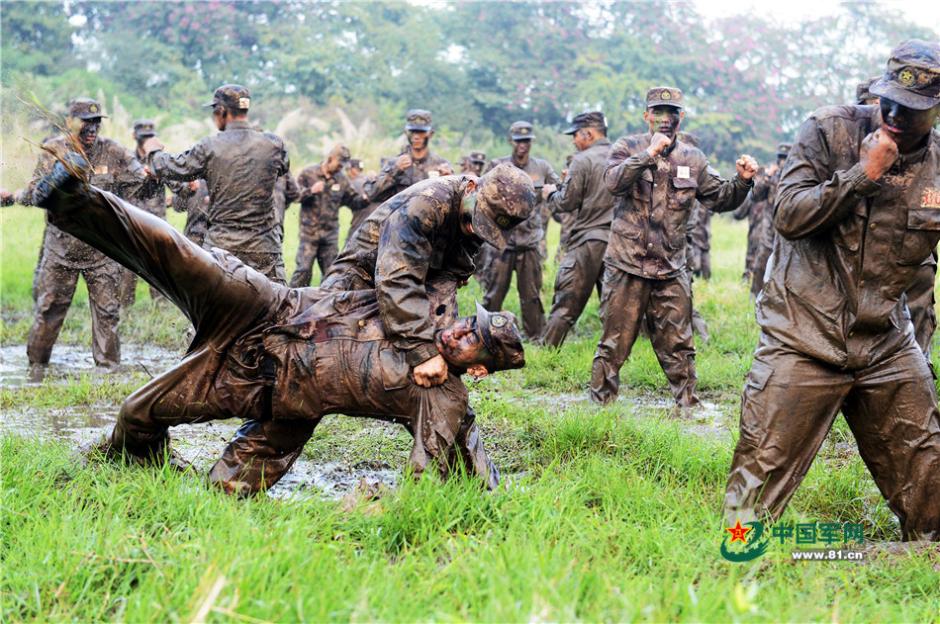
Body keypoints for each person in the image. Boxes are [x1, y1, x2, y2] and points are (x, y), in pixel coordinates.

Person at [31, 154, 523, 494]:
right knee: (184, 259)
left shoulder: (440, 387)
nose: (459, 330)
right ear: (473, 188)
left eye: (471, 336)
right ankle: (73, 199)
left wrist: (483, 486)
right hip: (286, 310)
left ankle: (162, 472)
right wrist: (428, 351)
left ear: (477, 368)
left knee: (140, 414)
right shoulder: (429, 205)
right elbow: (397, 284)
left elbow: (447, 431)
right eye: (466, 325)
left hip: (280, 382)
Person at [723, 41, 940, 541]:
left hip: (884, 341)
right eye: (888, 101)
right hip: (802, 334)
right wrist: (863, 175)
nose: (893, 115)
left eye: (911, 110)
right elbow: (789, 215)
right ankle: (732, 577)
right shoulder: (829, 129)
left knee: (930, 483)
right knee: (746, 516)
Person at [592, 87, 757, 408]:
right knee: (614, 343)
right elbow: (612, 183)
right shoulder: (627, 147)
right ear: (646, 116)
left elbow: (719, 198)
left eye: (672, 113)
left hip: (670, 268)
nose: (665, 119)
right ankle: (600, 408)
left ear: (681, 118)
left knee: (679, 344)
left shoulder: (693, 159)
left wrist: (742, 182)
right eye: (658, 112)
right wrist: (648, 155)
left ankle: (687, 407)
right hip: (627, 264)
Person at [322, 163, 536, 388]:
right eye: (478, 220)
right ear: (471, 188)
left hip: (426, 273)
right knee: (319, 341)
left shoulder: (480, 206)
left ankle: (431, 398)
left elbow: (463, 250)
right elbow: (397, 278)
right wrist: (422, 352)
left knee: (443, 348)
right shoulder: (427, 203)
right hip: (362, 271)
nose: (476, 230)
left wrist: (459, 270)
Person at [23, 97, 146, 381]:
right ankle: (35, 371)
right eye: (85, 123)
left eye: (96, 123)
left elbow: (141, 177)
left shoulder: (114, 152)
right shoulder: (55, 150)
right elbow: (33, 194)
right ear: (72, 123)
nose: (91, 129)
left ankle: (108, 374)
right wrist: (55, 180)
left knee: (108, 314)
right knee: (49, 310)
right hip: (61, 250)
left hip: (102, 252)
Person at [140, 84, 291, 283]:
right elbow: (281, 169)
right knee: (275, 307)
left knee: (217, 310)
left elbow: (174, 168)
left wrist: (153, 151)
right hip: (264, 247)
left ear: (222, 112)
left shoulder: (210, 147)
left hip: (223, 248)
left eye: (214, 111)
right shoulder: (274, 145)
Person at [479, 121, 561, 339]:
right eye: (518, 141)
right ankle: (485, 335)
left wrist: (556, 189)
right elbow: (481, 194)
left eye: (526, 141)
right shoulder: (498, 166)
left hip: (529, 242)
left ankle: (536, 338)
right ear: (510, 141)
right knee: (493, 294)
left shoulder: (541, 167)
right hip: (501, 243)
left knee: (531, 296)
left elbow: (560, 190)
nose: (522, 145)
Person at [541, 112, 615, 347]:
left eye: (576, 135)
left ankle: (547, 353)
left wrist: (551, 193)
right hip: (620, 243)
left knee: (566, 303)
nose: (574, 140)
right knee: (616, 308)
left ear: (589, 133)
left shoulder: (582, 160)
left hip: (589, 242)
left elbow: (566, 203)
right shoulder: (624, 156)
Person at [289, 145, 367, 287]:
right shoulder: (308, 173)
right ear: (330, 159)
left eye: (343, 166)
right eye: (338, 165)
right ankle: (291, 305)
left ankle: (326, 306)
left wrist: (366, 198)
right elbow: (295, 196)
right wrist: (310, 191)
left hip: (330, 236)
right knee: (303, 271)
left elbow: (353, 201)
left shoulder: (342, 180)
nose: (340, 169)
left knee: (332, 275)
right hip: (309, 234)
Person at [119, 119, 169, 307]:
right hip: (131, 223)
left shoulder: (160, 160)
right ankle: (125, 309)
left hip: (156, 223)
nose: (146, 141)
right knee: (127, 270)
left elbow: (179, 185)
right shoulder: (125, 160)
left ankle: (160, 308)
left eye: (150, 137)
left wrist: (190, 186)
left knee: (158, 268)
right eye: (143, 137)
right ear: (135, 137)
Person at [364, 109, 452, 207]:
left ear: (430, 134)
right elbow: (372, 194)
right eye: (412, 132)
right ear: (406, 133)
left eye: (421, 132)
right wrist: (395, 171)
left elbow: (453, 202)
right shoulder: (394, 164)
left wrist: (449, 181)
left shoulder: (441, 165)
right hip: (401, 220)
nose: (416, 137)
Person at [748, 143, 791, 297]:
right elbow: (754, 196)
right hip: (769, 228)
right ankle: (755, 298)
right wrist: (767, 177)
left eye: (785, 158)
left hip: (788, 230)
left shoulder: (796, 177)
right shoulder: (771, 176)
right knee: (761, 263)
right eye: (780, 158)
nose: (782, 161)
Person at [169, 179, 210, 246]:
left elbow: (178, 206)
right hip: (194, 235)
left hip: (207, 235)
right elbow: (178, 206)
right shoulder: (195, 181)